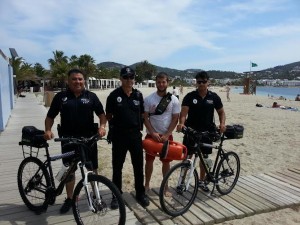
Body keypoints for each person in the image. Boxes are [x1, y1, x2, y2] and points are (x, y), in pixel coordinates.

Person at [44, 68, 107, 214]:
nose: (77, 81)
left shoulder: (91, 96)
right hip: (68, 140)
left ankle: (96, 196)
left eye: (80, 79)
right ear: (68, 81)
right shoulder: (61, 97)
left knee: (92, 169)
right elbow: (50, 117)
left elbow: (102, 115)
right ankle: (70, 198)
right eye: (74, 79)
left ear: (84, 80)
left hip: (88, 139)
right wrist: (48, 130)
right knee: (69, 170)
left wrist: (102, 127)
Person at [106, 66, 150, 208]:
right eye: (126, 77)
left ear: (134, 79)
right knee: (117, 167)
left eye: (131, 77)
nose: (129, 80)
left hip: (135, 136)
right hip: (119, 136)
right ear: (121, 78)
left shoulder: (138, 95)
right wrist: (113, 128)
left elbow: (143, 114)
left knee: (138, 166)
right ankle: (116, 195)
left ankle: (140, 193)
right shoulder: (113, 96)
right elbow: (108, 115)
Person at [177, 71, 226, 192]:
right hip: (191, 132)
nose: (201, 84)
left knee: (204, 158)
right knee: (187, 158)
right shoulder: (190, 96)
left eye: (204, 81)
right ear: (196, 82)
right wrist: (182, 124)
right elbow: (183, 113)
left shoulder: (214, 97)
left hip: (207, 133)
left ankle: (202, 181)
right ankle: (181, 182)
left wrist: (222, 123)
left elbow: (221, 112)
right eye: (199, 82)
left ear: (208, 82)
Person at [143, 72, 180, 196]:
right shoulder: (148, 99)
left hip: (166, 136)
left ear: (167, 83)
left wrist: (167, 134)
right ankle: (147, 184)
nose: (161, 84)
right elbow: (145, 117)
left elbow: (175, 118)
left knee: (166, 162)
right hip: (151, 135)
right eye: (159, 82)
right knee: (149, 162)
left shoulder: (174, 100)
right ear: (156, 83)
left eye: (163, 82)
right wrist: (152, 132)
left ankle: (166, 187)